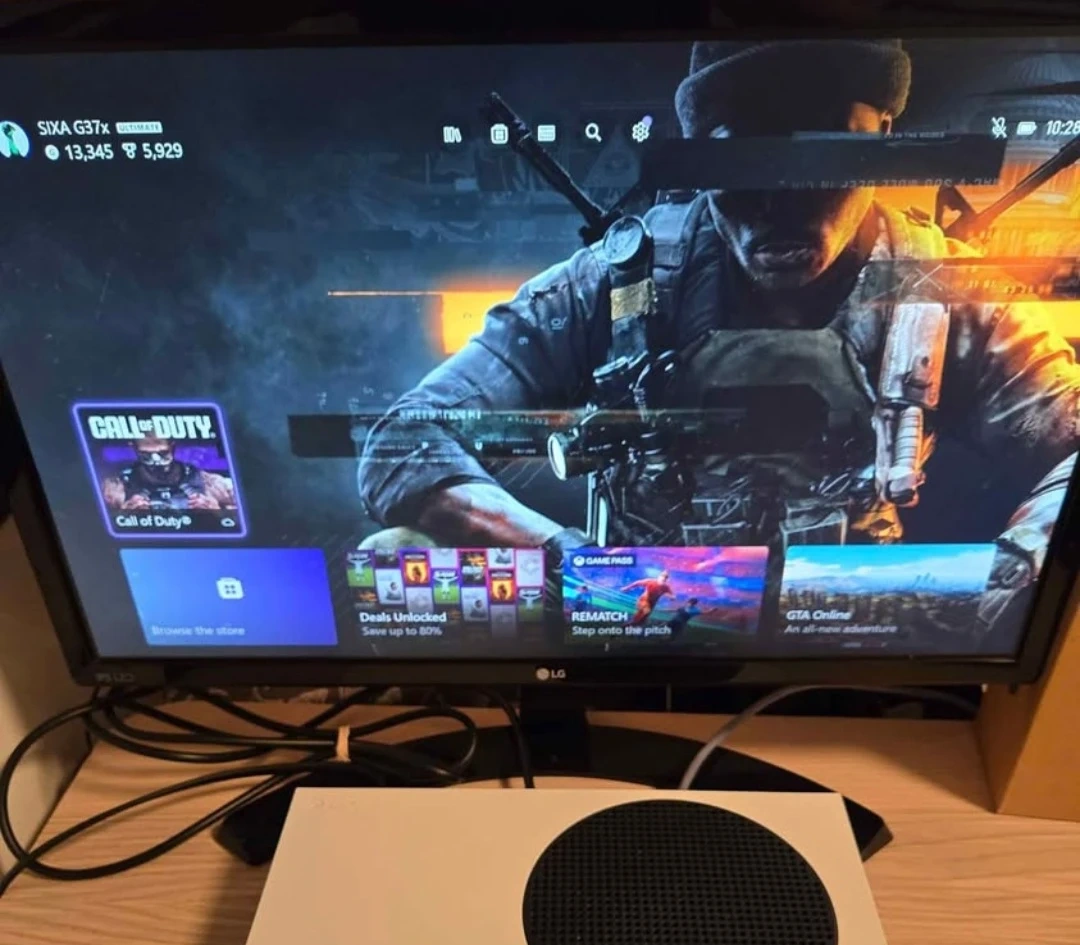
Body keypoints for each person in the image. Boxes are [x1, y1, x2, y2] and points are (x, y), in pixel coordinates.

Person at [357, 38, 1079, 638]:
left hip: (843, 618)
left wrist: (1010, 575)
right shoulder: (613, 283)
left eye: (823, 157)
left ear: (881, 144)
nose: (780, 203)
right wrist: (570, 562)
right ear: (702, 159)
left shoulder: (945, 286)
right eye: (743, 161)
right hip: (640, 614)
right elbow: (402, 442)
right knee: (396, 559)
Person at [101, 435, 235, 514]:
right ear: (134, 448)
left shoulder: (214, 484)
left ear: (172, 447)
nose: (156, 462)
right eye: (146, 455)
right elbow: (95, 530)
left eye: (162, 453)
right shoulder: (113, 489)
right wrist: (122, 517)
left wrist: (218, 513)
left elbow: (243, 523)